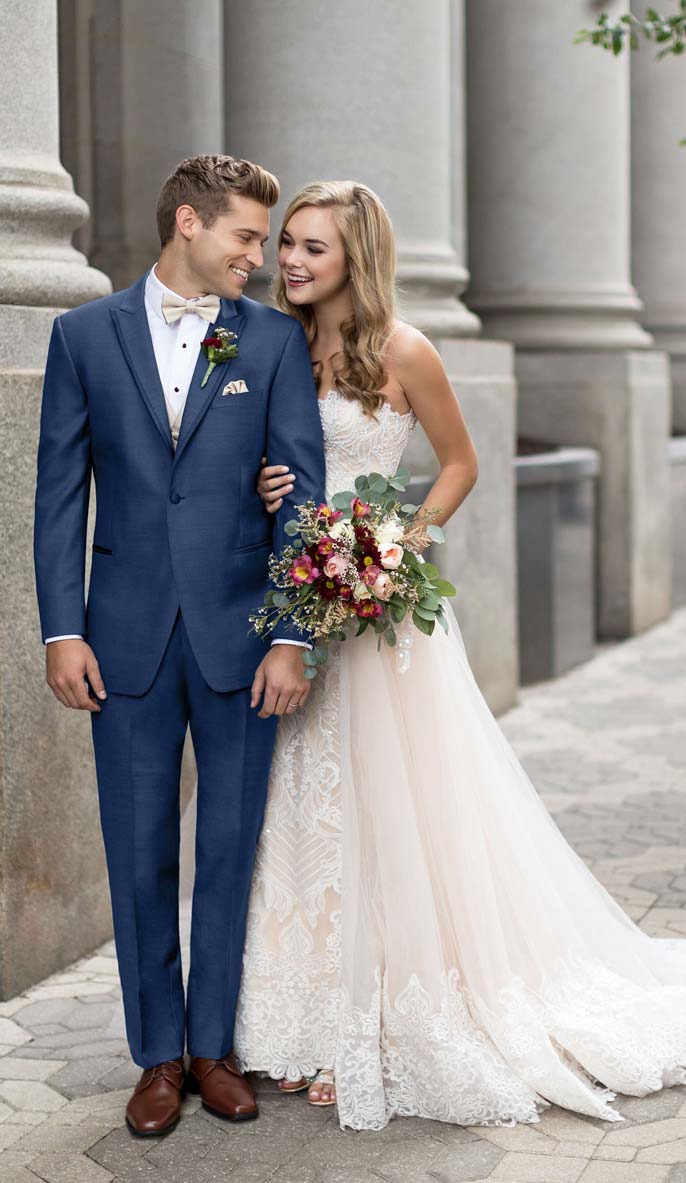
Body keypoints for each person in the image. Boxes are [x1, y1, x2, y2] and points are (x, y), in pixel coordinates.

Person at [233, 179, 686, 1131]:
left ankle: (379, 1018)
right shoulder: (271, 343)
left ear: (356, 256)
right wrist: (258, 481)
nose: (291, 261)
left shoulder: (403, 348)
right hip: (289, 597)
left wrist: (396, 543)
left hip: (375, 611)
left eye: (314, 248)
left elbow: (460, 463)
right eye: (288, 243)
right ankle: (302, 1010)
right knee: (310, 803)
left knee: (394, 808)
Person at [33, 154, 326, 1137]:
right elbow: (59, 495)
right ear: (189, 223)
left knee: (230, 848)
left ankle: (215, 1048)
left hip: (242, 635)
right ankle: (158, 1055)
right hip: (119, 639)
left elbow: (304, 498)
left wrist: (291, 634)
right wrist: (61, 626)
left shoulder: (273, 345)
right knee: (138, 847)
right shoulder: (83, 336)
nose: (261, 256)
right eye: (246, 236)